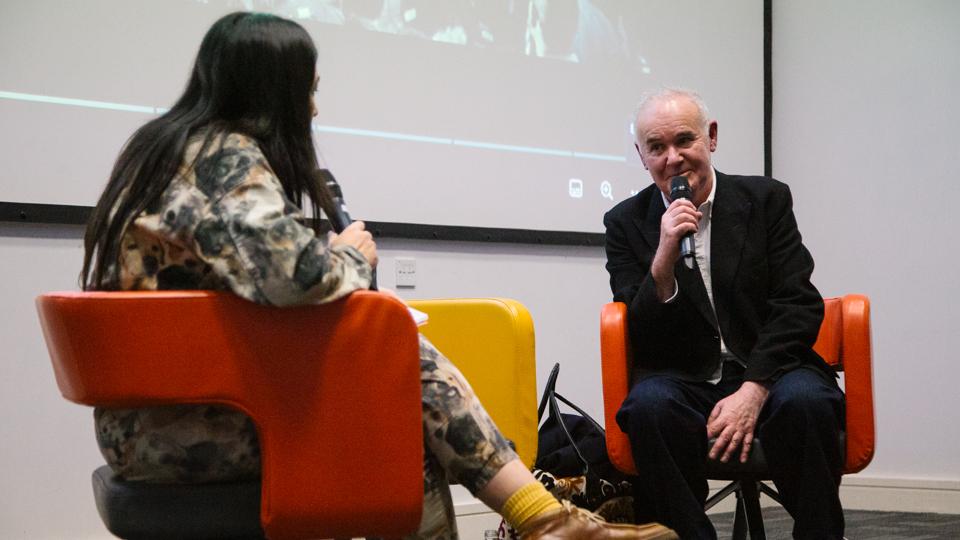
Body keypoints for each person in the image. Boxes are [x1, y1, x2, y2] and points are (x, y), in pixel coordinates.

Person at [81, 12, 676, 540]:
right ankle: (546, 518)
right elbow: (295, 278)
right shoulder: (223, 157)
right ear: (273, 92)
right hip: (181, 435)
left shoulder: (159, 152)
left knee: (402, 404)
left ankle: (546, 520)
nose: (312, 109)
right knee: (398, 372)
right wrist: (351, 254)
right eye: (307, 92)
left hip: (157, 422)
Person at [603, 88, 845, 539]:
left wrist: (754, 389)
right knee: (648, 408)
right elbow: (638, 332)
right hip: (686, 378)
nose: (673, 158)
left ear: (710, 138)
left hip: (773, 370)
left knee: (808, 403)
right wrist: (663, 260)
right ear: (642, 156)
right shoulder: (624, 222)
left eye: (684, 140)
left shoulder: (764, 200)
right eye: (657, 148)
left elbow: (798, 302)